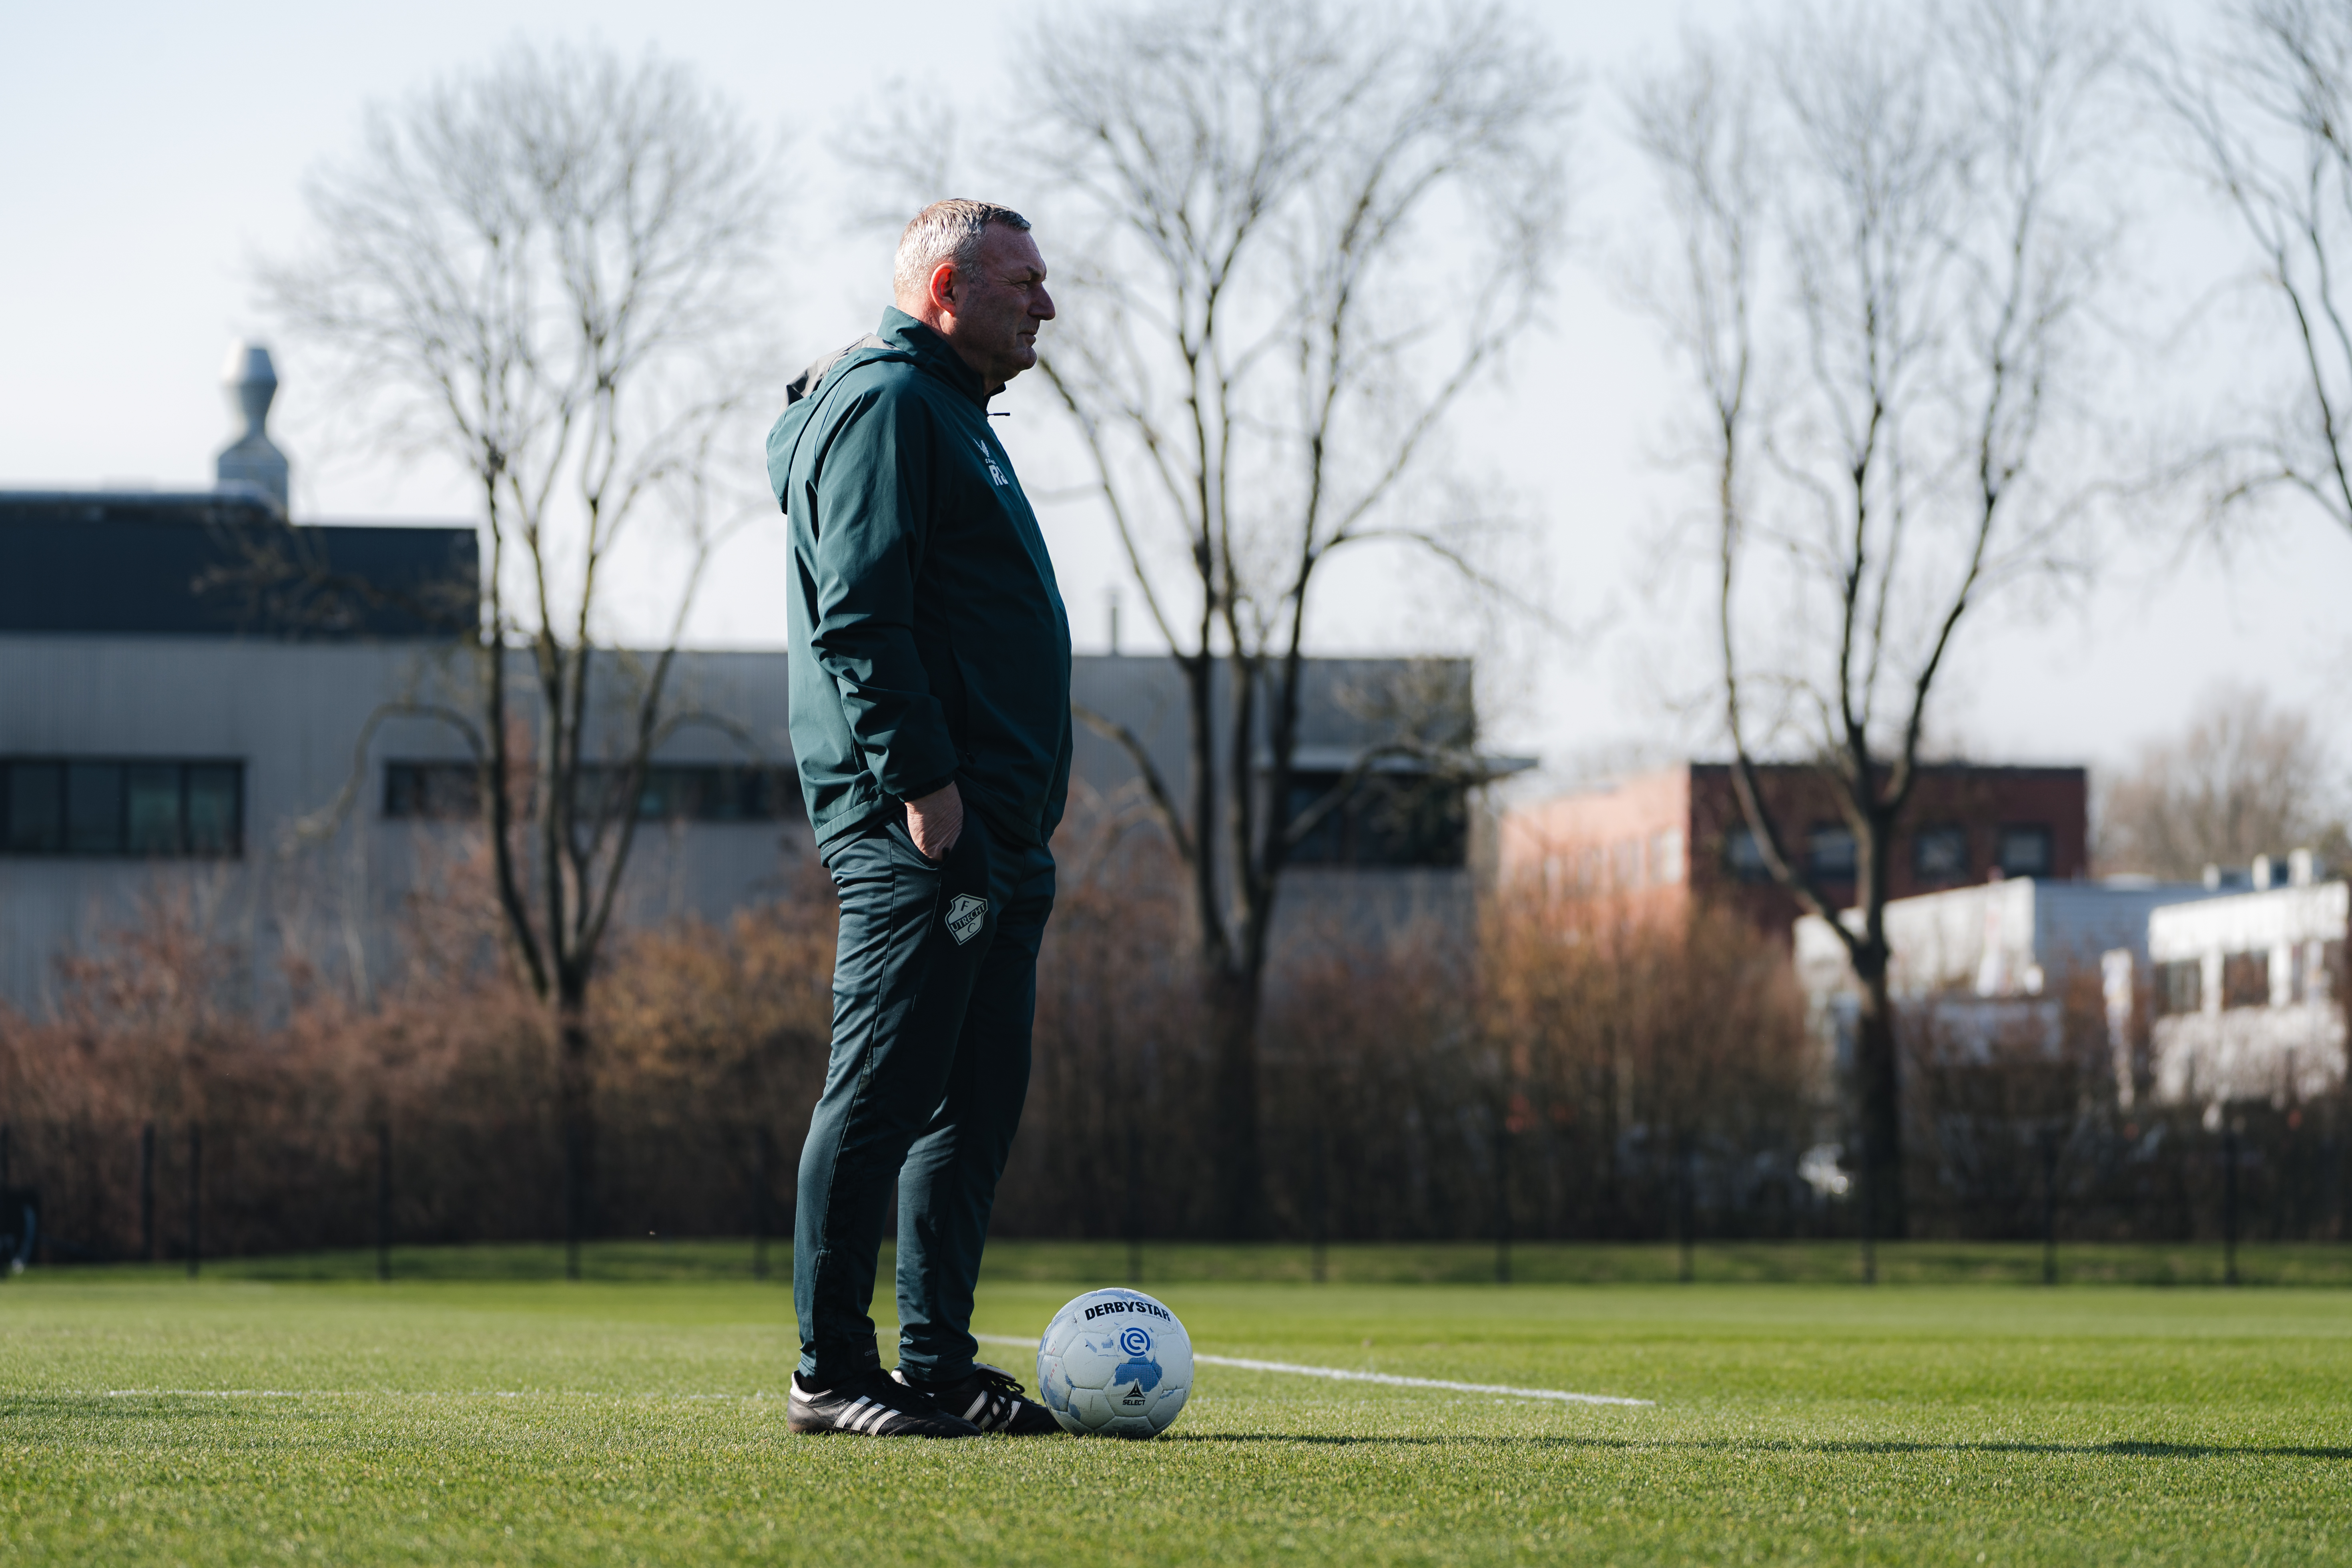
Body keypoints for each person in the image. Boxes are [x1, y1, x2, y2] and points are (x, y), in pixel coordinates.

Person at [765, 200, 1072, 1437]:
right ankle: (830, 1373)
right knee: (885, 1095)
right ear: (945, 288)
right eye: (1022, 284)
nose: (1045, 305)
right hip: (923, 827)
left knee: (972, 1103)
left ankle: (938, 1368)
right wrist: (924, 787)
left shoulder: (953, 410)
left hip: (994, 827)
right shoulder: (891, 405)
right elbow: (859, 615)